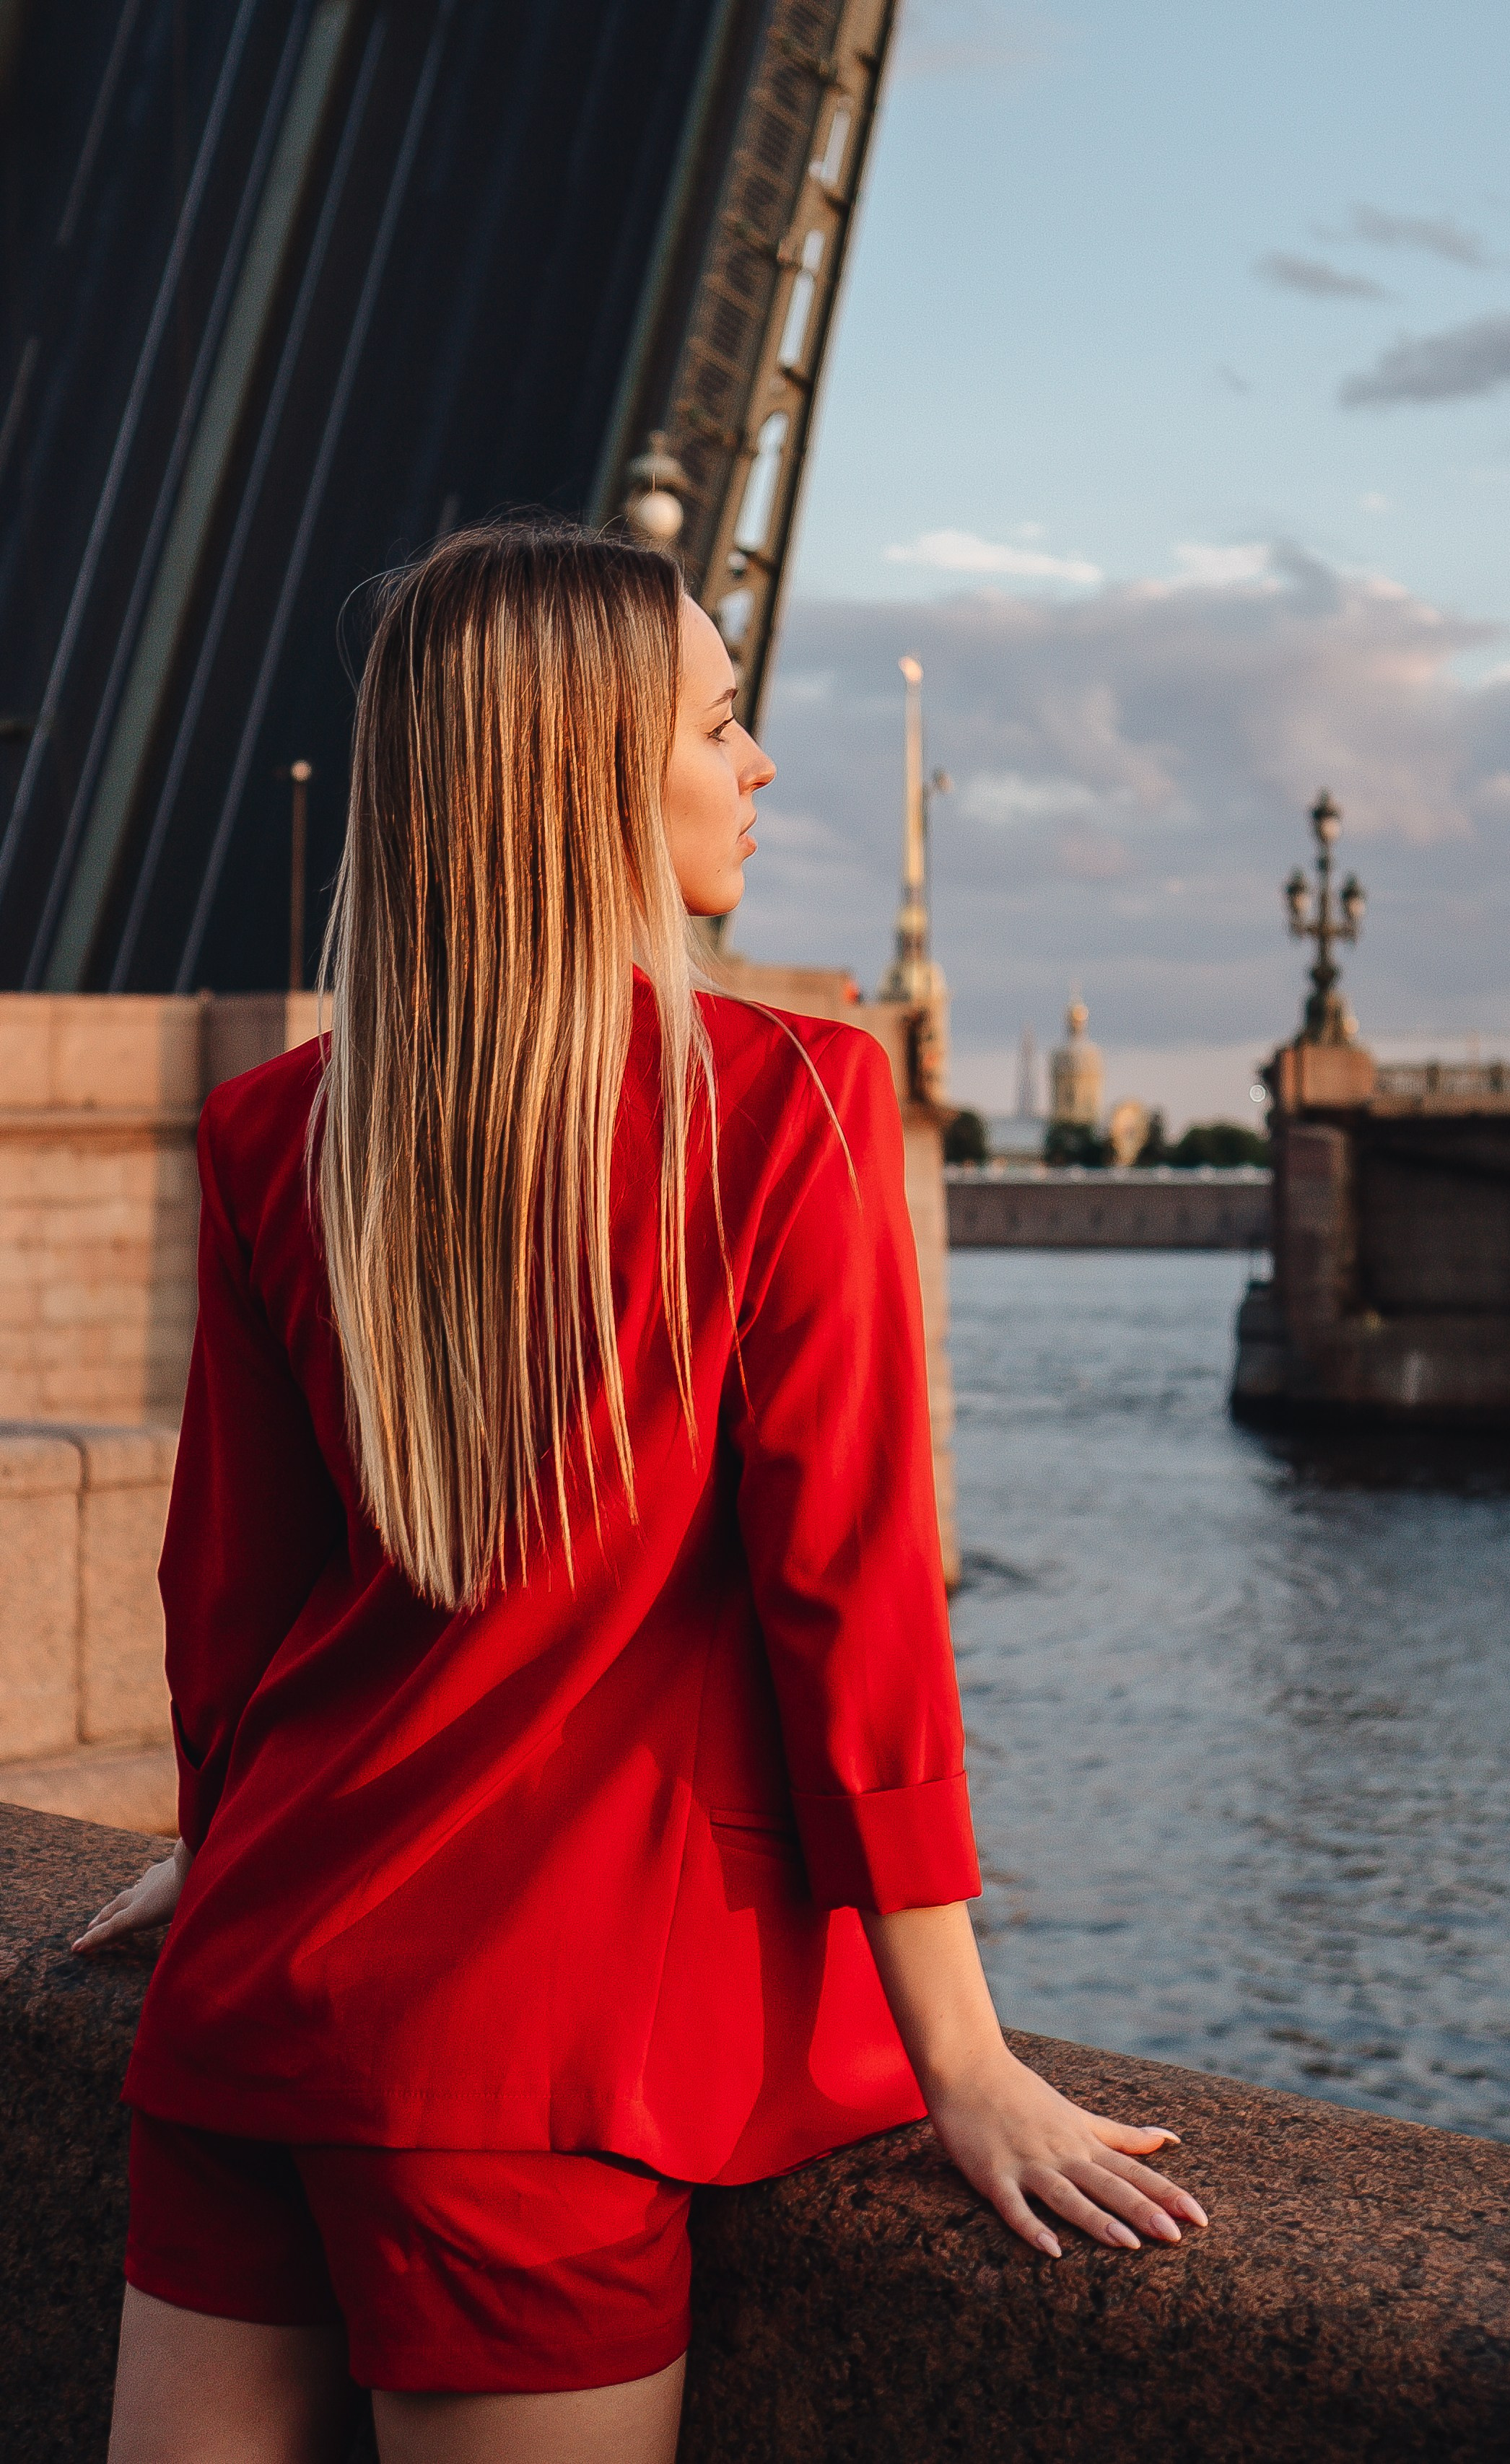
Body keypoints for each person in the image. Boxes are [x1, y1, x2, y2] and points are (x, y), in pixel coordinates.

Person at [77, 523, 1206, 2464]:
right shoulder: (786, 1105)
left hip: (252, 2002)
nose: (758, 765)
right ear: (586, 775)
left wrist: (222, 1841)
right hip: (538, 2076)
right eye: (719, 724)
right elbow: (853, 1609)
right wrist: (963, 2059)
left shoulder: (281, 1130)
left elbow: (230, 1586)